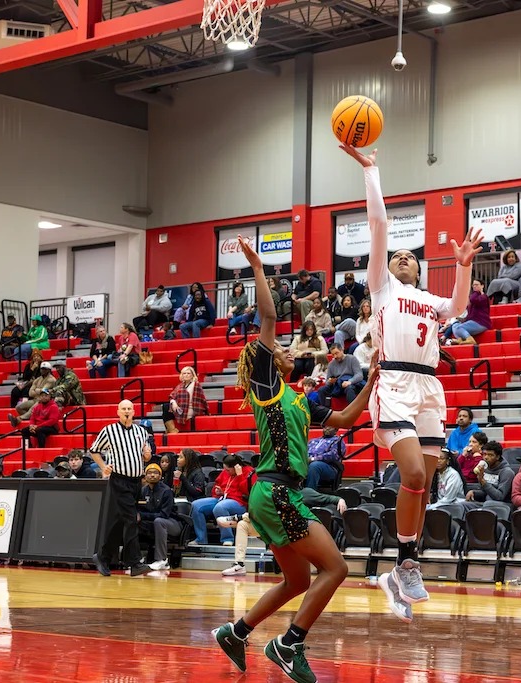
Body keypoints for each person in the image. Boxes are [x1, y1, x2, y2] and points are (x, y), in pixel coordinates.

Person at [212, 234, 378, 682]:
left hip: (276, 493)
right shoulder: (266, 387)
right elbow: (268, 315)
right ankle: (289, 643)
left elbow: (343, 418)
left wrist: (371, 382)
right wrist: (259, 269)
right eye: (277, 349)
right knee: (337, 567)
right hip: (275, 490)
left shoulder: (300, 400)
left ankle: (237, 630)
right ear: (265, 362)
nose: (285, 349)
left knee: (299, 580)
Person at [341, 143, 481, 624]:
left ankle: (402, 568)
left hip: (429, 388)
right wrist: (371, 170)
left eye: (408, 257)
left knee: (424, 484)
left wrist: (463, 265)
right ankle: (403, 561)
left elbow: (460, 309)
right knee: (415, 476)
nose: (400, 257)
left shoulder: (427, 298)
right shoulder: (382, 289)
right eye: (395, 255)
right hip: (396, 382)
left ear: (419, 269)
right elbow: (379, 225)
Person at [89, 400, 154, 578]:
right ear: (118, 412)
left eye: (129, 409)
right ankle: (133, 563)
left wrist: (147, 456)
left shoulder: (142, 432)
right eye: (123, 409)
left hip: (136, 482)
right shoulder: (109, 430)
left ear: (134, 412)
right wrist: (103, 467)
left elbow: (145, 455)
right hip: (119, 481)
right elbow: (94, 450)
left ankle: (102, 557)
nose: (126, 411)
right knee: (132, 519)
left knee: (119, 522)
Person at [220, 490, 348, 577]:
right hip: (272, 527)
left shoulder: (304, 493)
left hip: (288, 531)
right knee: (243, 526)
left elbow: (326, 498)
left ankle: (239, 517)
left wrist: (339, 499)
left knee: (252, 517)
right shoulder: (275, 492)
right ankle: (240, 565)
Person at [137, 463, 179, 572]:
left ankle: (162, 560)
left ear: (160, 476)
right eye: (149, 473)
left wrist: (142, 516)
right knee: (131, 522)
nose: (152, 475)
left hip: (172, 523)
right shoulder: (143, 491)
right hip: (152, 522)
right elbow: (140, 509)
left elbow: (164, 515)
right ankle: (136, 558)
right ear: (145, 476)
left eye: (155, 473)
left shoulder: (166, 491)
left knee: (159, 521)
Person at [440, 279, 490, 346]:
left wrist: (476, 292)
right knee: (455, 325)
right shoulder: (475, 297)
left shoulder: (483, 297)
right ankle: (461, 339)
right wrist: (463, 320)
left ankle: (469, 339)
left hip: (481, 323)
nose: (474, 286)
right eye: (473, 285)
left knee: (459, 328)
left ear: (482, 286)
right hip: (473, 322)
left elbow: (473, 299)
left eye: (477, 285)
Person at [162, 366, 209, 434]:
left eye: (188, 373)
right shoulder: (180, 385)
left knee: (166, 407)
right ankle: (172, 429)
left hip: (191, 409)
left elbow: (201, 399)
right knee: (165, 407)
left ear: (192, 375)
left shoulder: (196, 385)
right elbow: (172, 396)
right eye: (184, 373)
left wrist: (206, 411)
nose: (186, 375)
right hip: (180, 408)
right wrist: (173, 402)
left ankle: (171, 430)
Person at [305, 426, 346, 491]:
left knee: (315, 466)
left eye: (330, 427)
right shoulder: (313, 441)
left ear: (336, 430)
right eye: (325, 427)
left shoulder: (338, 441)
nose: (327, 428)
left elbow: (333, 456)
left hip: (330, 468)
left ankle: (309, 493)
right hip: (308, 464)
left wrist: (313, 459)